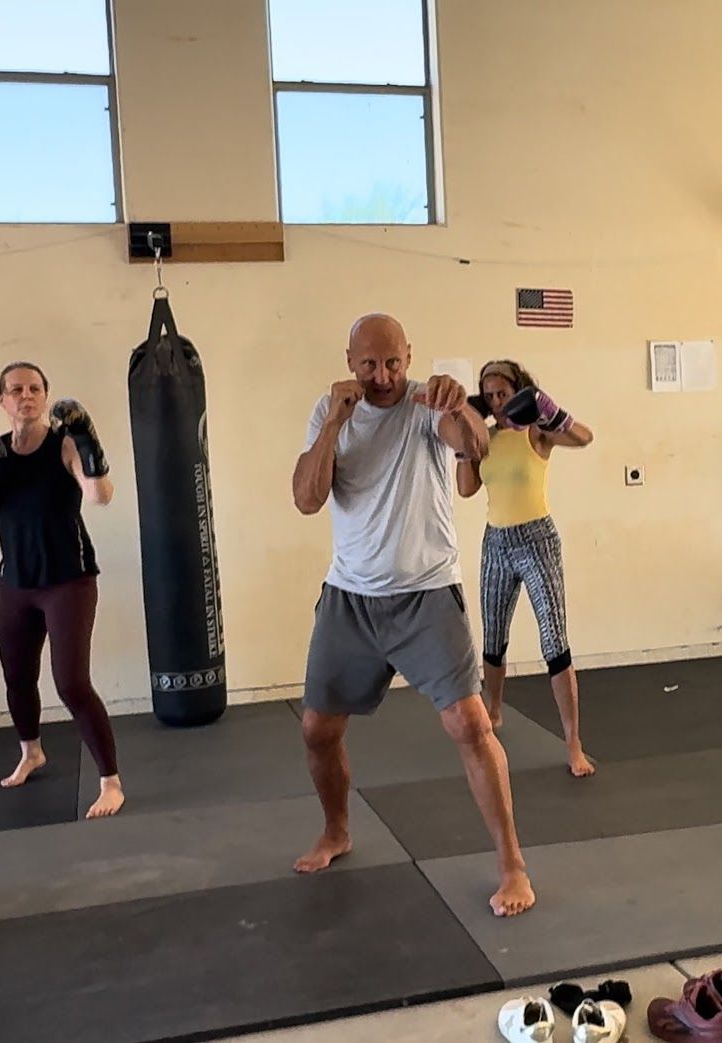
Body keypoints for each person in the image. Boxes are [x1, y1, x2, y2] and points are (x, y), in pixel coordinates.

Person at [290, 313, 536, 917]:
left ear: (409, 356)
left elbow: (472, 447)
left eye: (393, 362)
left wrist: (460, 409)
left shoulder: (428, 405)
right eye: (370, 364)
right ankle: (337, 830)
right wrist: (334, 426)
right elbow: (306, 498)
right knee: (317, 730)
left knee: (470, 726)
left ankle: (513, 867)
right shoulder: (330, 416)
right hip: (350, 597)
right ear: (350, 361)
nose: (382, 376)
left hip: (426, 593)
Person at [0, 361, 126, 819]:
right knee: (17, 677)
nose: (26, 396)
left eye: (35, 388)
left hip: (69, 580)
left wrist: (90, 445)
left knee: (71, 682)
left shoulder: (65, 445)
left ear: (45, 395)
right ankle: (31, 751)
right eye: (16, 389)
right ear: (2, 400)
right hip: (14, 583)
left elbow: (99, 497)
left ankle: (110, 781)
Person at [455, 359, 597, 777]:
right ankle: (495, 712)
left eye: (504, 394)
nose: (498, 402)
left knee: (554, 642)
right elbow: (466, 489)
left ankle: (574, 744)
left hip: (537, 541)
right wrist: (467, 435)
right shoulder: (486, 437)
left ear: (518, 393)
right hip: (495, 542)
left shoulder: (536, 432)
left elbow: (585, 438)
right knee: (493, 638)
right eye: (490, 395)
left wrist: (552, 411)